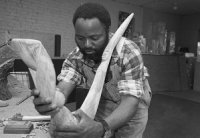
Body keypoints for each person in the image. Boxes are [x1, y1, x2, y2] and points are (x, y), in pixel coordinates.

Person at [32, 2, 152, 138]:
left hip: (131, 108)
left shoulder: (128, 52)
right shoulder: (76, 57)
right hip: (104, 103)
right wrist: (52, 100)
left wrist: (102, 127)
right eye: (80, 38)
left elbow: (130, 102)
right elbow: (64, 87)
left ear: (107, 31)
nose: (87, 45)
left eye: (95, 38)